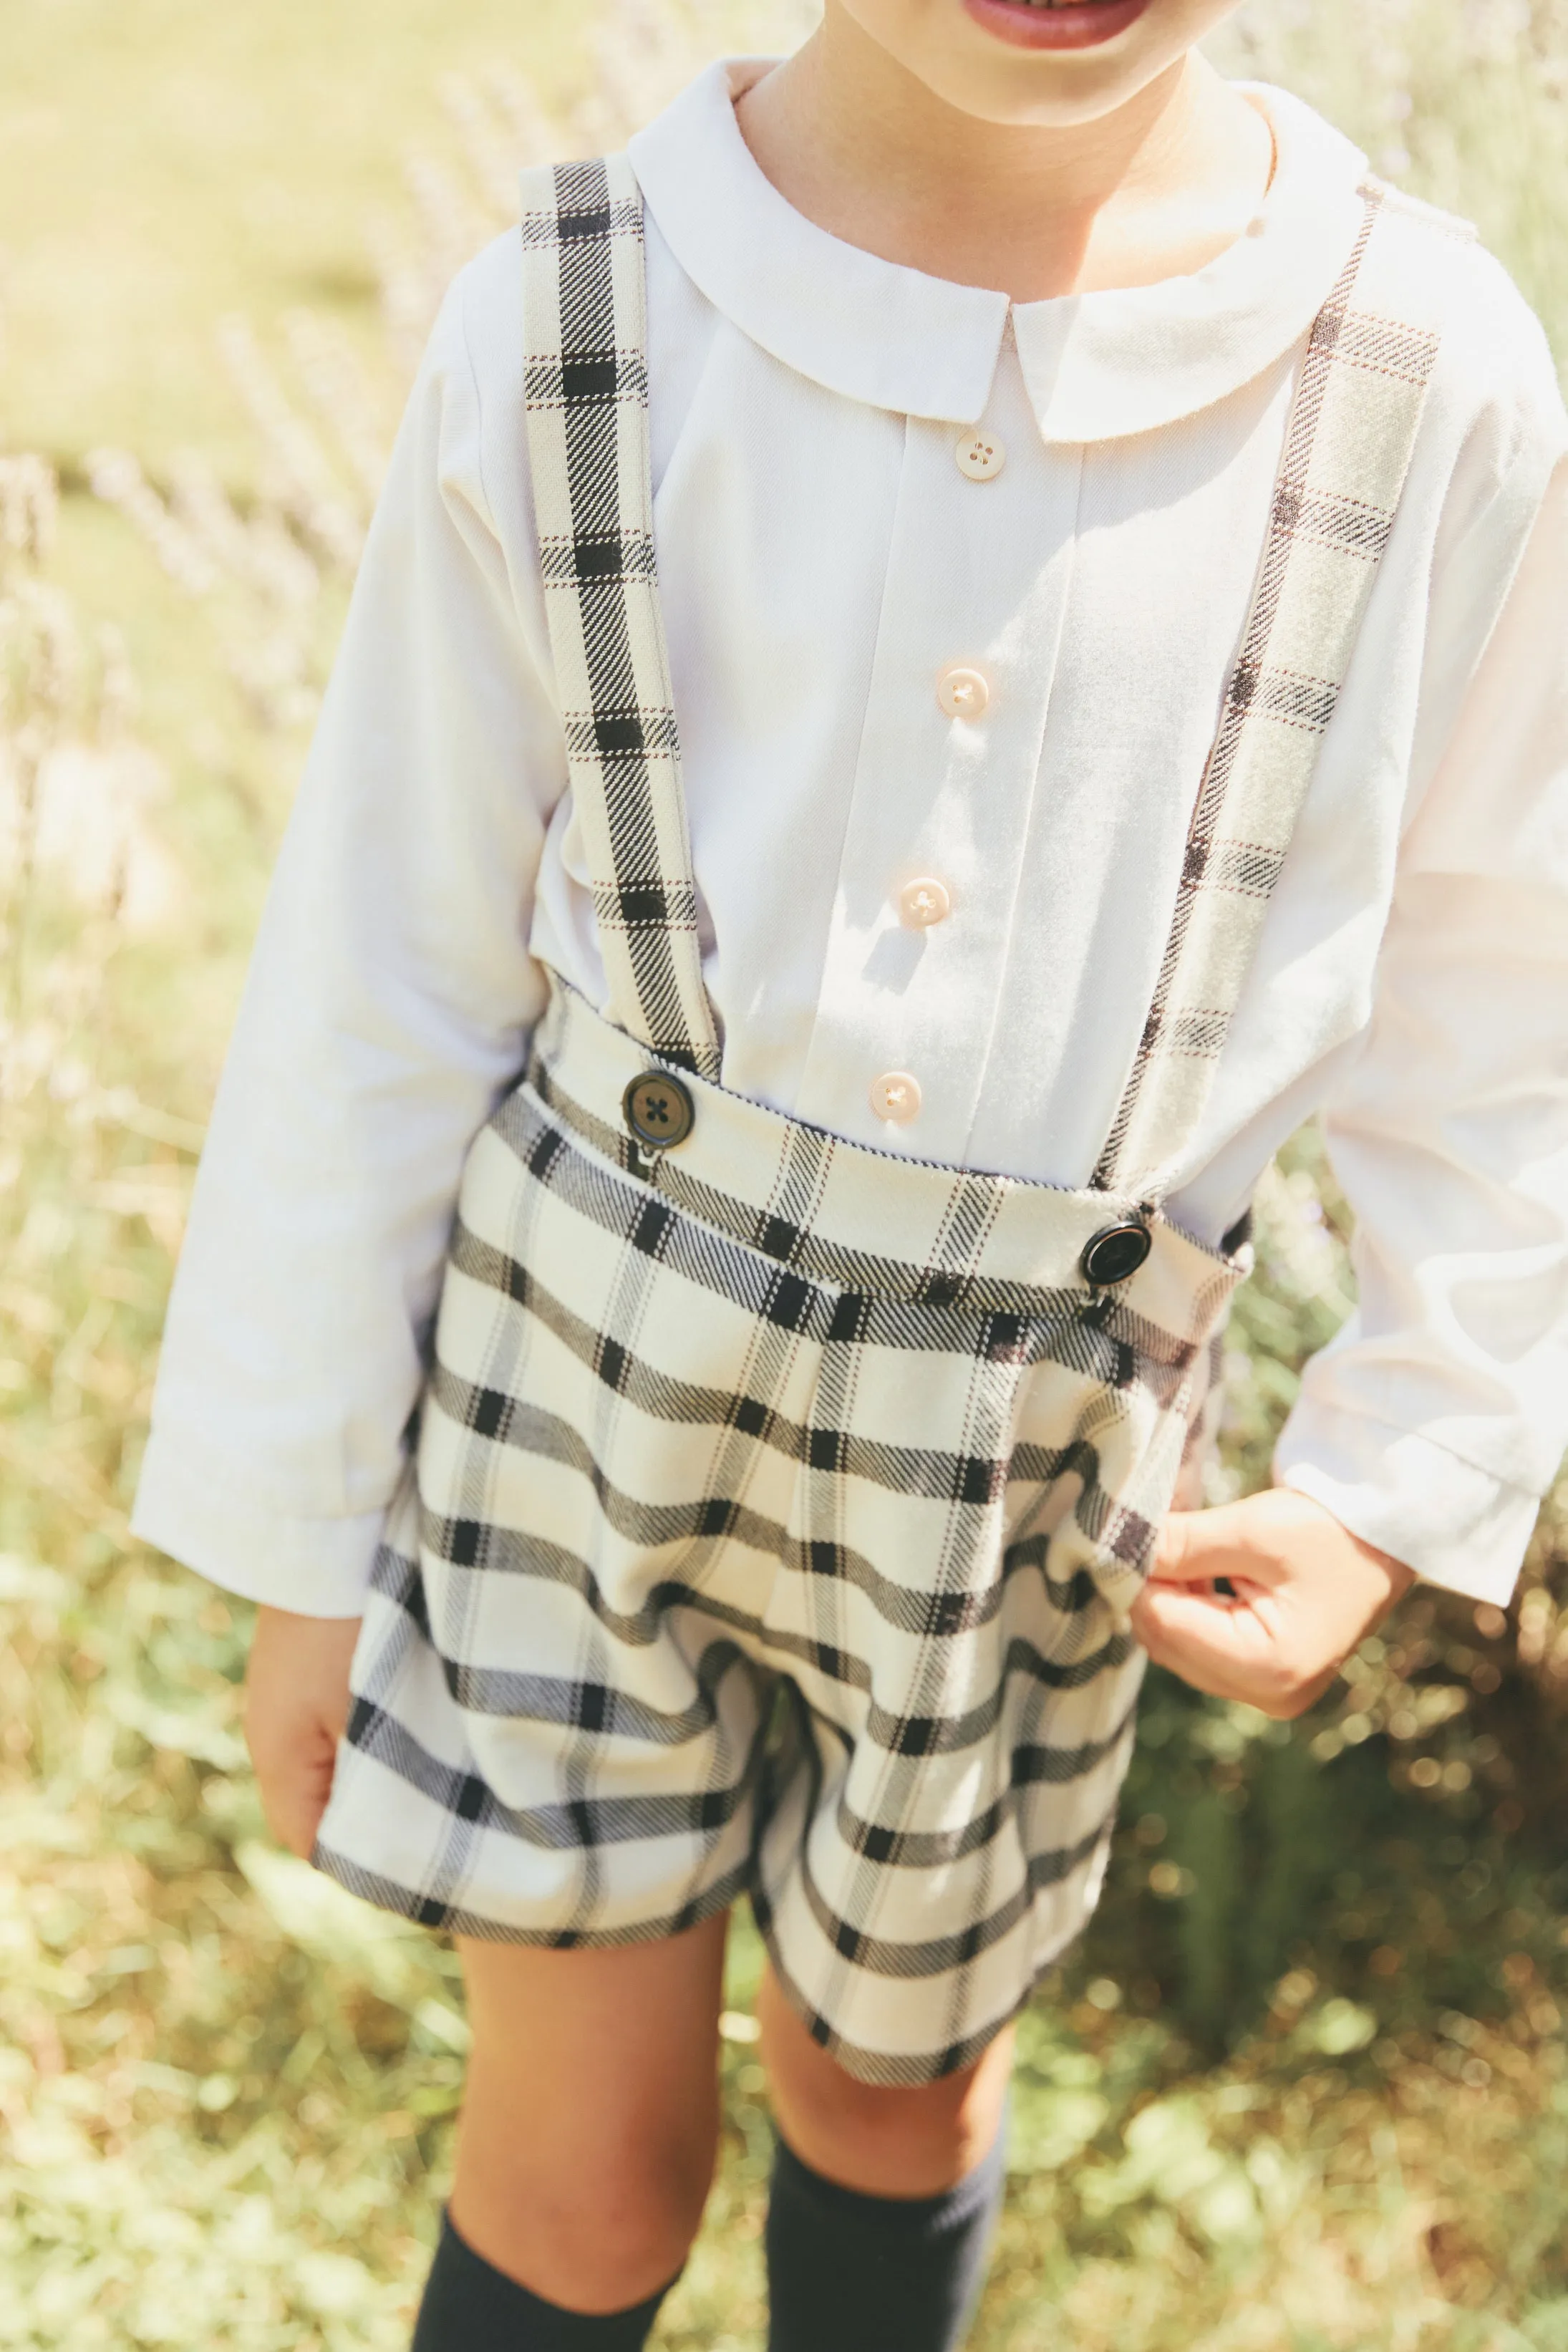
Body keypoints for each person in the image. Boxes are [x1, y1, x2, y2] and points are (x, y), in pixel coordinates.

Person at [132, 0, 1568, 2345]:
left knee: (888, 2090)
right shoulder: (583, 305)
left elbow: (1509, 970)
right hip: (576, 1390)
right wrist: (301, 1531)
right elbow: (381, 948)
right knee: (582, 2177)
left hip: (1029, 1430)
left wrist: (1393, 1473)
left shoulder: (1422, 375)